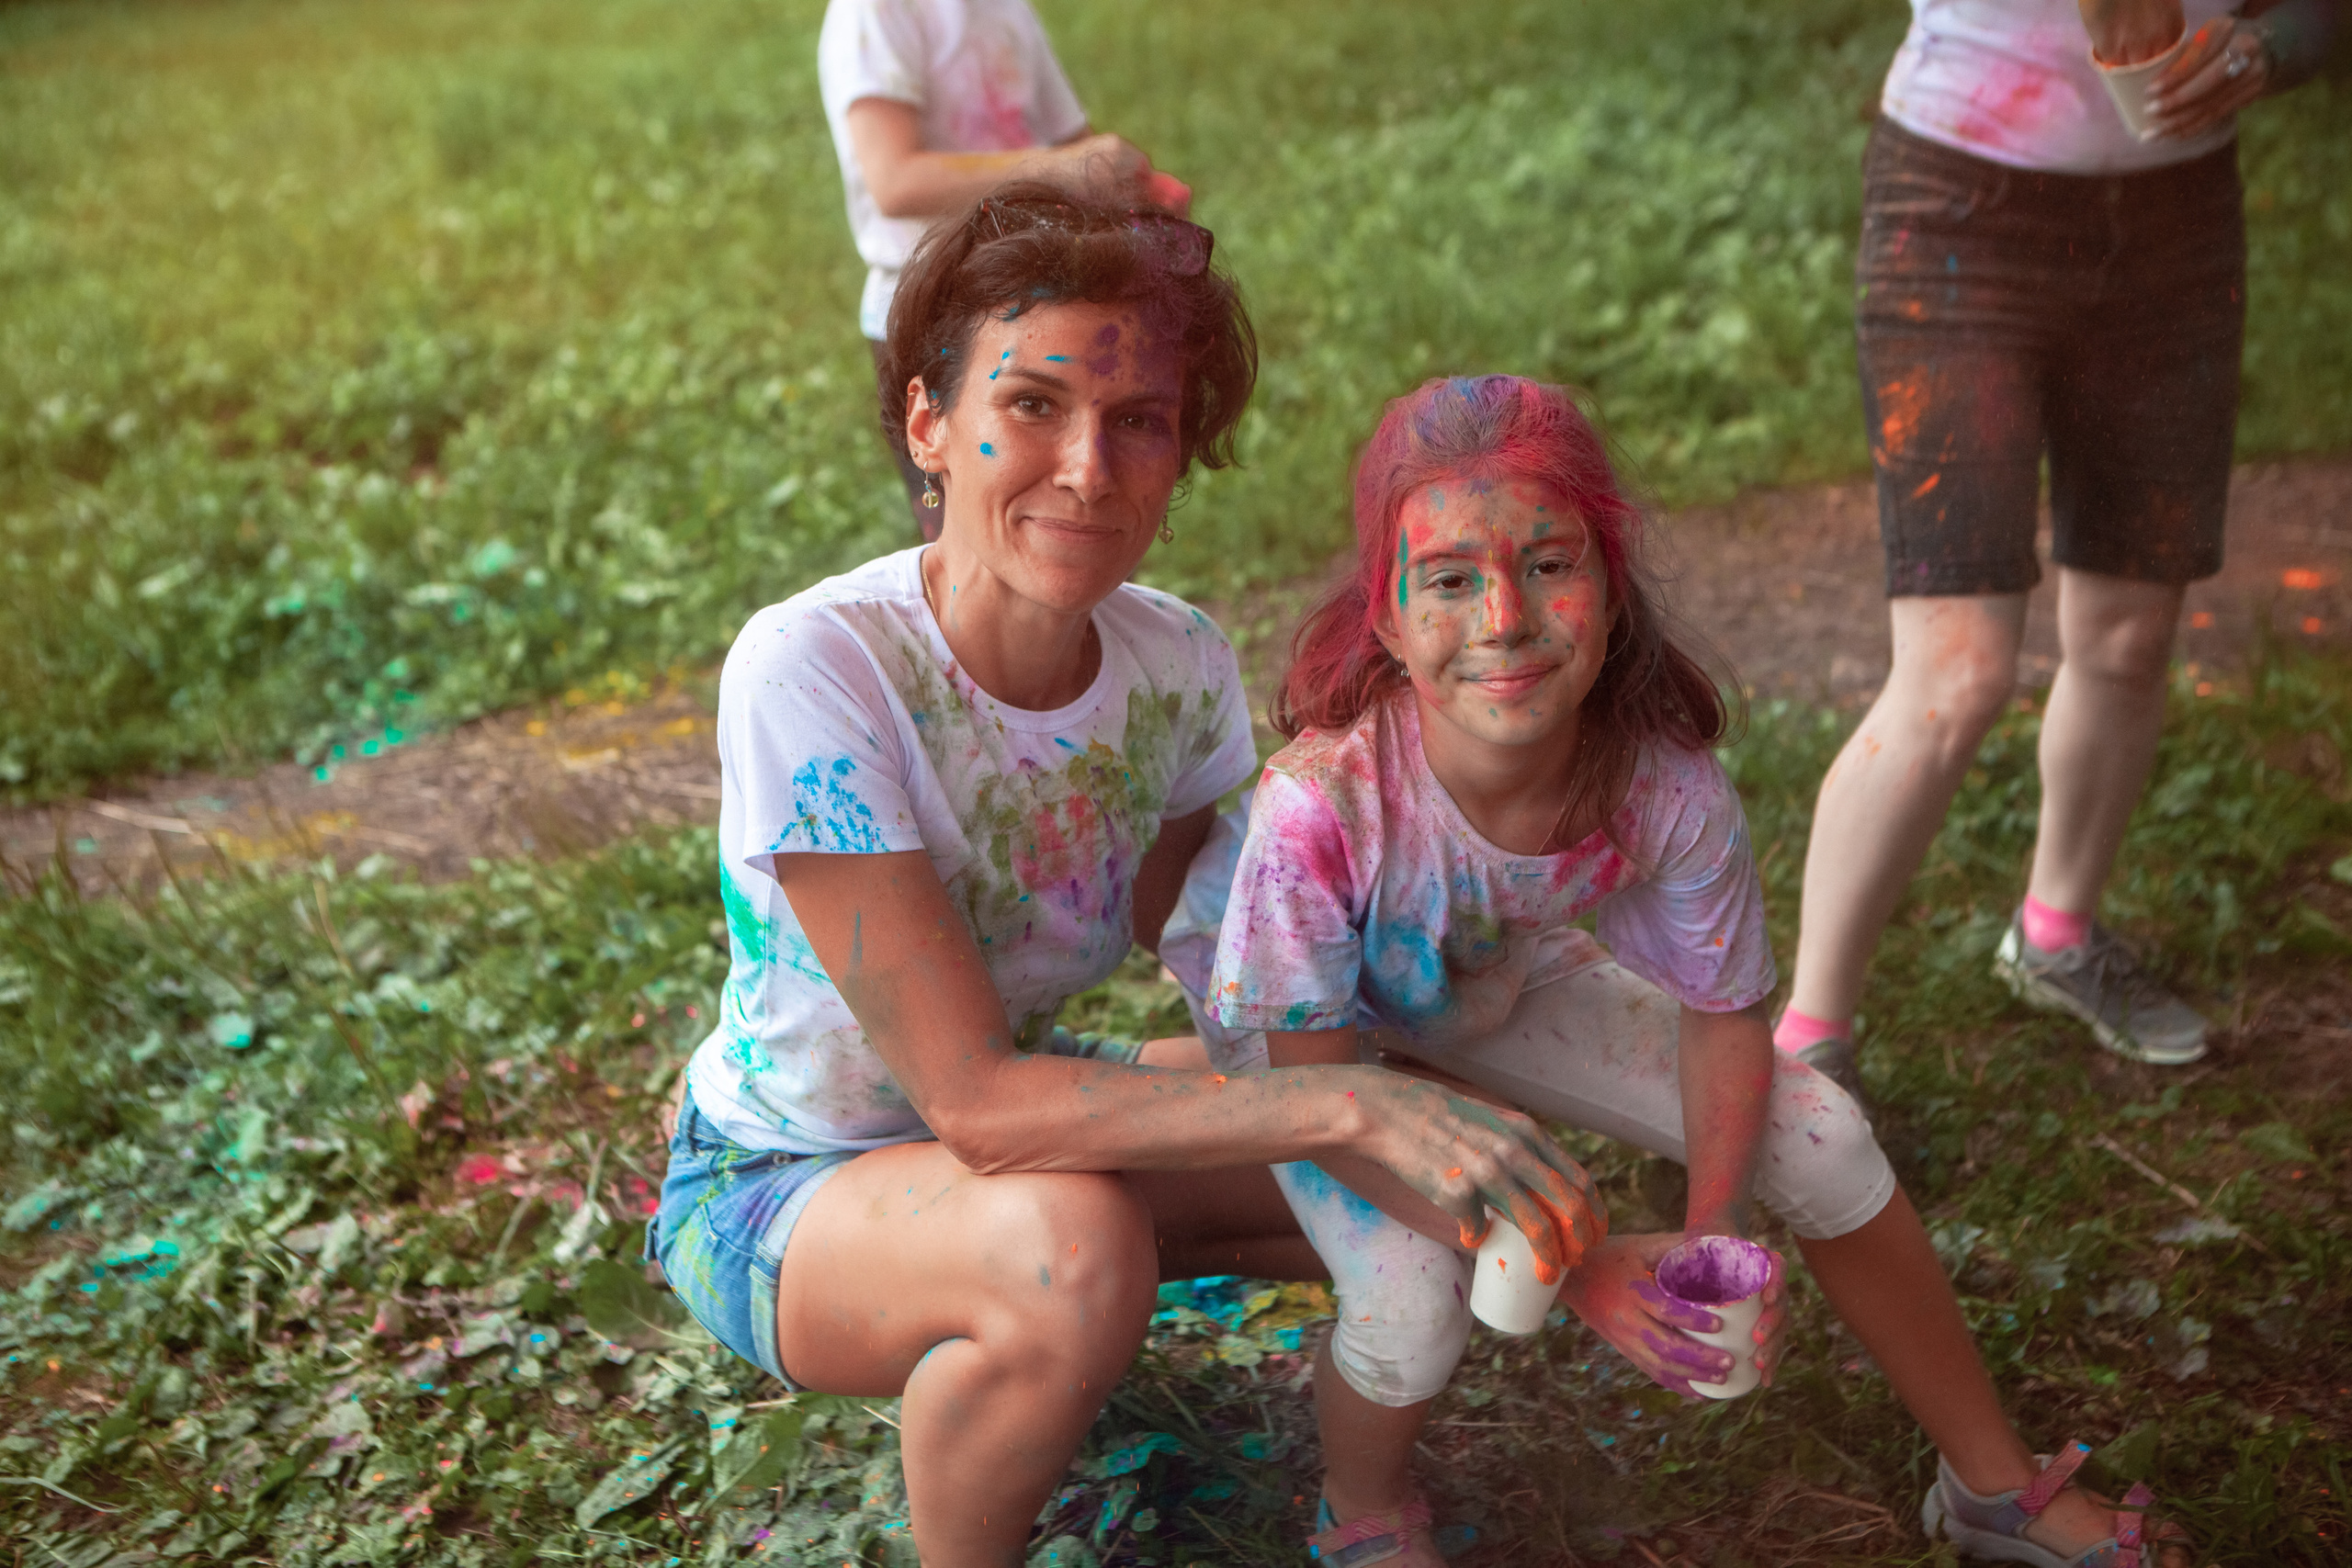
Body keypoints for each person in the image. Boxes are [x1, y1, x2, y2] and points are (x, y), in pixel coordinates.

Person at [648, 188, 1601, 1568]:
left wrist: (1441, 975)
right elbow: (975, 1103)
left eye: (1139, 417)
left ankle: (1341, 1490)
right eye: (1031, 403)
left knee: (1444, 1132)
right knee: (1081, 1242)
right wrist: (1348, 1096)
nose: (1090, 467)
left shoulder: (1176, 662)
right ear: (927, 423)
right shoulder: (818, 667)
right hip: (784, 1181)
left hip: (1031, 1132)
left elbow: (1229, 963)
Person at [1174, 376, 2191, 1567]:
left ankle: (1993, 1487)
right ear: (1387, 618)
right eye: (1450, 577)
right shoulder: (1318, 809)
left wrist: (1718, 1235)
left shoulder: (1664, 784)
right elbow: (1327, 1099)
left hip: (1493, 976)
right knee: (1412, 1300)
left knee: (1825, 1135)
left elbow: (1723, 1016)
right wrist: (1591, 1267)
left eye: (1549, 563)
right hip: (1306, 1045)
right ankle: (1361, 1509)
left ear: (1610, 583)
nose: (1504, 615)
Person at [1772, 0, 2342, 1095]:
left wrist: (2266, 50)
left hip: (2177, 226)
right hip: (1957, 211)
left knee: (2128, 637)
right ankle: (1806, 1047)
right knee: (1957, 670)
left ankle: (2055, 934)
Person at [818, 0, 1187, 542]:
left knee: (1074, 518)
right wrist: (1064, 170)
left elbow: (1074, 145)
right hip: (934, 314)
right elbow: (895, 181)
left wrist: (1133, 195)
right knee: (976, 545)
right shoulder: (875, 11)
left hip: (1039, 305)